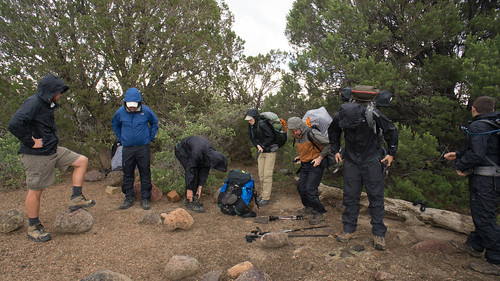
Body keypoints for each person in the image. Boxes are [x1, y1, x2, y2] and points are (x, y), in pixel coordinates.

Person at [8, 74, 95, 242]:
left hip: (52, 150)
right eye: (59, 91)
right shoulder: (33, 103)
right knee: (36, 190)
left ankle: (76, 197)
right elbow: (14, 123)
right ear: (50, 91)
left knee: (81, 161)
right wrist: (29, 141)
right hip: (36, 156)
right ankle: (33, 227)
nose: (61, 94)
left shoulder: (47, 103)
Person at [328, 90, 398, 251]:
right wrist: (336, 150)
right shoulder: (342, 115)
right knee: (351, 196)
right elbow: (334, 131)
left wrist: (391, 154)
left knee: (375, 197)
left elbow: (391, 131)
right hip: (352, 160)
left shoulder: (373, 114)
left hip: (372, 159)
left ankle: (379, 233)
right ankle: (349, 230)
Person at [445, 96, 500, 276]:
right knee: (483, 214)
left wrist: (460, 165)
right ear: (492, 109)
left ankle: (496, 259)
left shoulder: (478, 126)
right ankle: (475, 245)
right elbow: (487, 149)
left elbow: (477, 154)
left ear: (474, 109)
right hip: (494, 177)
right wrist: (459, 154)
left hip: (485, 179)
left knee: (484, 217)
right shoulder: (494, 124)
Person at [112, 88, 159, 210]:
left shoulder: (146, 111)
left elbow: (155, 123)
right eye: (129, 105)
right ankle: (128, 198)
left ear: (139, 103)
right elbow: (115, 125)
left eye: (134, 105)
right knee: (128, 173)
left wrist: (150, 137)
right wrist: (121, 139)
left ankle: (145, 198)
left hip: (143, 147)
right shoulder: (120, 112)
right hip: (127, 148)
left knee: (145, 172)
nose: (132, 108)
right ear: (126, 103)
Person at [287, 117, 330, 225]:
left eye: (296, 130)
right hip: (305, 164)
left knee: (310, 189)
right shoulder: (297, 136)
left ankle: (320, 211)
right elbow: (308, 149)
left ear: (301, 127)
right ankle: (309, 206)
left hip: (316, 164)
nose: (295, 132)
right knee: (301, 187)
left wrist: (320, 158)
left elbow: (328, 144)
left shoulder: (312, 133)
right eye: (293, 131)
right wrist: (300, 157)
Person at [174, 136, 228, 213]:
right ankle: (190, 201)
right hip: (181, 150)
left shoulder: (212, 153)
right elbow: (190, 169)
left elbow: (205, 170)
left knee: (199, 172)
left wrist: (200, 186)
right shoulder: (198, 152)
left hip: (193, 151)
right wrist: (189, 189)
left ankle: (191, 197)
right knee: (194, 173)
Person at [245, 109, 278, 206]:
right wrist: (258, 146)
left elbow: (271, 137)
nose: (249, 122)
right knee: (261, 174)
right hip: (261, 151)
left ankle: (266, 197)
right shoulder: (251, 126)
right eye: (248, 120)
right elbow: (252, 138)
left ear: (255, 118)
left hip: (270, 152)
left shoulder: (263, 124)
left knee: (267, 174)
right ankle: (262, 195)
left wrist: (262, 146)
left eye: (251, 120)